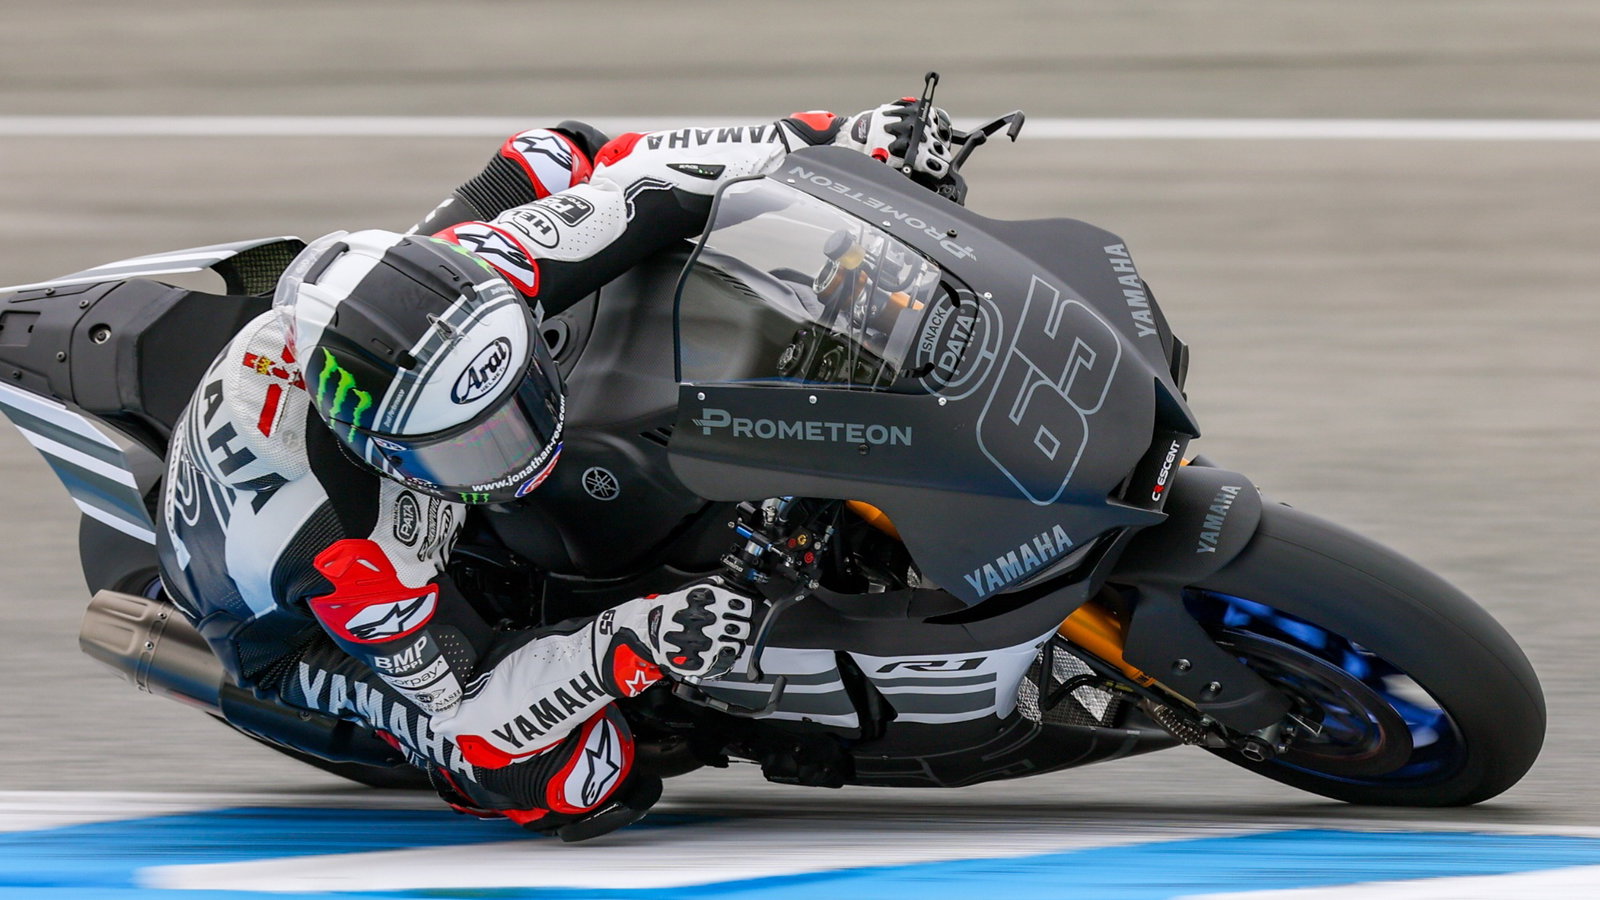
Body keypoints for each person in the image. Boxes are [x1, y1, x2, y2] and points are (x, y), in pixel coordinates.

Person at [155, 99, 957, 838]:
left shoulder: (488, 272)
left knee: (549, 155)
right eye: (474, 444)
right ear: (384, 449)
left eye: (522, 400)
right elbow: (468, 707)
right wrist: (632, 639)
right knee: (564, 776)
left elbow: (652, 175)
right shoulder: (358, 553)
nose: (525, 448)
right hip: (285, 633)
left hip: (407, 346)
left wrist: (837, 137)